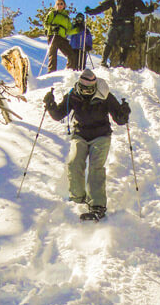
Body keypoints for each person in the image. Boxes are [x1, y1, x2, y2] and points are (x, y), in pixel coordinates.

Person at [43, 69, 131, 221]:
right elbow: (58, 115)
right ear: (79, 85)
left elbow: (120, 120)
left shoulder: (105, 95)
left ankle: (97, 206)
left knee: (96, 167)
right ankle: (78, 198)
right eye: (84, 88)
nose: (86, 91)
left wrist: (124, 113)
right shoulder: (73, 95)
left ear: (95, 85)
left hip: (101, 135)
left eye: (90, 89)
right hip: (80, 134)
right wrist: (50, 104)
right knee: (74, 162)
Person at [85, 0, 155, 67]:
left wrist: (149, 9)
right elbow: (102, 6)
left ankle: (121, 63)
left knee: (125, 44)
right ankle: (103, 61)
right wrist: (92, 11)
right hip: (115, 23)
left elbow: (142, 9)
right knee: (108, 41)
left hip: (128, 24)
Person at [44, 0, 75, 73]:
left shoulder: (66, 17)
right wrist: (52, 27)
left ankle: (69, 70)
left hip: (62, 37)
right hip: (53, 35)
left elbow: (70, 29)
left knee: (71, 53)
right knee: (53, 54)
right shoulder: (53, 13)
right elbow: (46, 24)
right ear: (55, 5)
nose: (59, 5)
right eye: (58, 4)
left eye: (61, 4)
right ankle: (51, 71)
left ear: (64, 5)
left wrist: (78, 29)